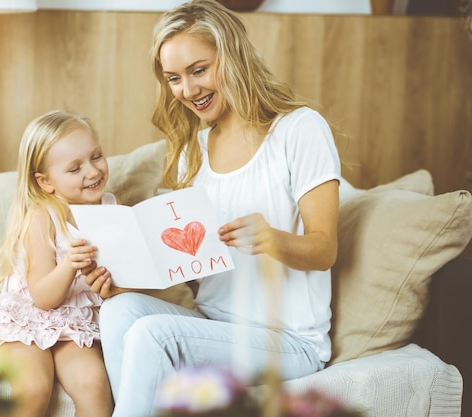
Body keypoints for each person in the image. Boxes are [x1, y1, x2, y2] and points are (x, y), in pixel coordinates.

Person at [84, 1, 342, 416]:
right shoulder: (195, 149)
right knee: (118, 311)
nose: (187, 90)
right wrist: (124, 279)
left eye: (198, 70)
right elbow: (186, 266)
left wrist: (273, 240)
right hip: (213, 324)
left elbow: (324, 248)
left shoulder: (299, 129)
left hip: (288, 341)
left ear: (233, 57)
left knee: (153, 335)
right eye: (174, 78)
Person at [0, 110, 114, 417]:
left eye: (97, 156)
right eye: (74, 167)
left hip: (75, 321)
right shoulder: (42, 217)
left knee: (94, 386)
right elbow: (42, 298)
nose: (93, 171)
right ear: (46, 182)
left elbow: (115, 282)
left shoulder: (112, 208)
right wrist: (69, 265)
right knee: (33, 389)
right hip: (29, 317)